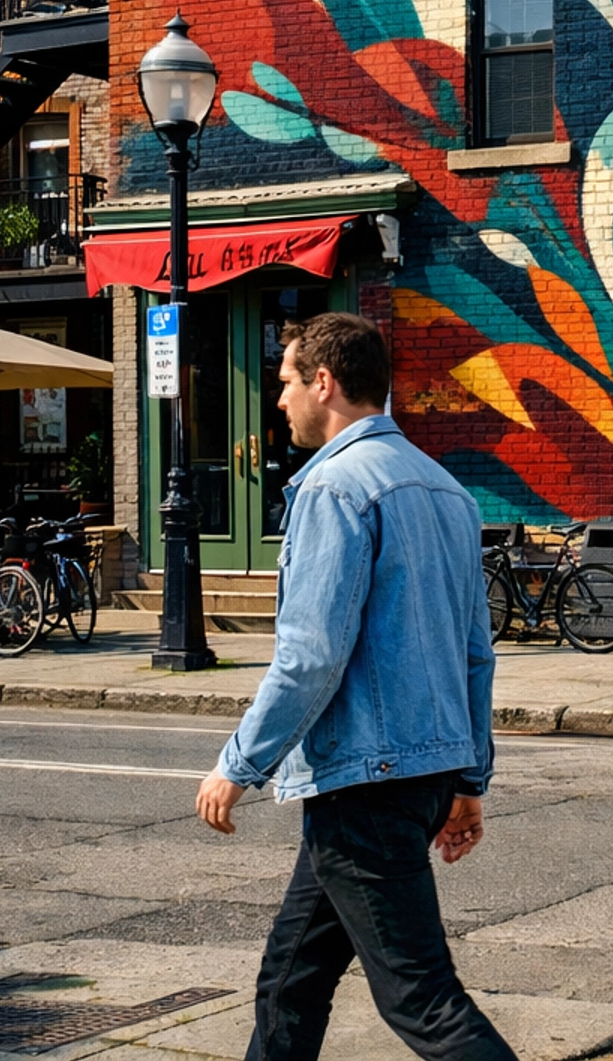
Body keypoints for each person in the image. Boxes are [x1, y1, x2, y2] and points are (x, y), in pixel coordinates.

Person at [195, 309, 517, 1061]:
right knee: (291, 978)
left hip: (363, 786)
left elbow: (310, 655)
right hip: (411, 776)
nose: (279, 403)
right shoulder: (445, 491)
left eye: (285, 383)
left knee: (424, 1001)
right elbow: (476, 654)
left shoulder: (334, 490)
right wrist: (467, 777)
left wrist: (239, 764)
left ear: (325, 382)